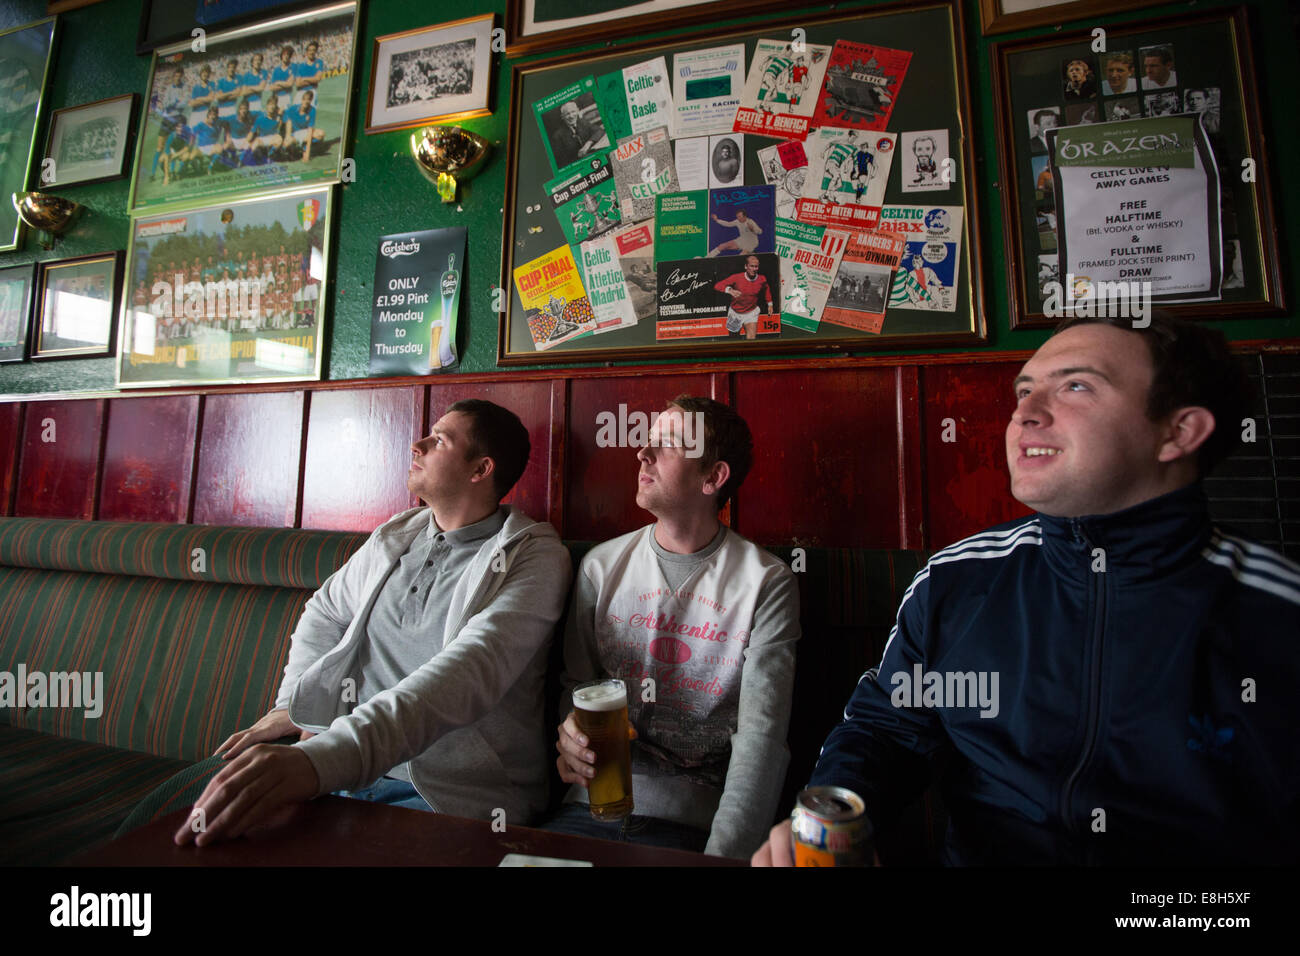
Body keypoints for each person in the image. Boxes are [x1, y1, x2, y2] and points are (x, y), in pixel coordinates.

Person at [753, 315, 1299, 866]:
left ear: (1177, 432)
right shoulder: (957, 580)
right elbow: (889, 731)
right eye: (1024, 389)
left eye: (1075, 386)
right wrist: (834, 825)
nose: (1024, 414)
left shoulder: (1274, 616)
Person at [173, 400, 572, 846]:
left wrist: (323, 760)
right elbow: (325, 611)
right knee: (193, 831)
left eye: (439, 440)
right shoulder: (398, 535)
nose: (416, 444)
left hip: (450, 793)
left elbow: (470, 671)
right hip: (344, 769)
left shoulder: (533, 556)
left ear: (480, 469)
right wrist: (293, 705)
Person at [546, 396, 800, 858]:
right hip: (585, 811)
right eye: (647, 440)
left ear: (713, 477)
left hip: (692, 828)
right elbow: (577, 686)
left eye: (667, 444)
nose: (642, 453)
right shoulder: (600, 567)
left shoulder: (766, 582)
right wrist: (570, 733)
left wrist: (723, 857)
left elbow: (761, 738)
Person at [714, 254, 774, 341]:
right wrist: (730, 290)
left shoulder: (762, 279)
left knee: (751, 339)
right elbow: (717, 285)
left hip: (751, 313)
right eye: (751, 266)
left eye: (756, 266)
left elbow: (766, 289)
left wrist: (770, 303)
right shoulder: (736, 277)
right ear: (746, 266)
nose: (754, 269)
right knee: (733, 340)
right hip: (735, 313)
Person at [550, 100, 601, 169]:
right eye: (567, 114)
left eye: (573, 112)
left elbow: (599, 130)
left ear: (577, 111)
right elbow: (562, 162)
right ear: (562, 117)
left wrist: (588, 143)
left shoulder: (582, 122)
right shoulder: (557, 136)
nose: (571, 116)